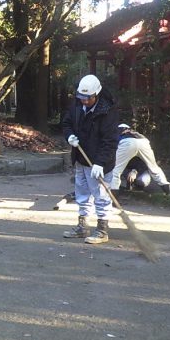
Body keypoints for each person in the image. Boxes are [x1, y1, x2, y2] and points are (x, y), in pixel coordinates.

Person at [61, 74, 119, 244]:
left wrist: (101, 162)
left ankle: (102, 230)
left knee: (101, 195)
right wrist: (70, 136)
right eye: (81, 97)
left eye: (88, 98)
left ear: (97, 95)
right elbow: (67, 123)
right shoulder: (77, 105)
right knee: (82, 192)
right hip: (81, 157)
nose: (84, 101)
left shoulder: (108, 112)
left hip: (100, 163)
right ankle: (82, 226)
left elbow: (110, 141)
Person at [111, 123, 170, 194]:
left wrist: (134, 171)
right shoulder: (136, 133)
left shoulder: (117, 134)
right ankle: (166, 186)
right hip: (144, 142)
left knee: (116, 170)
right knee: (154, 167)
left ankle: (113, 194)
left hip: (126, 143)